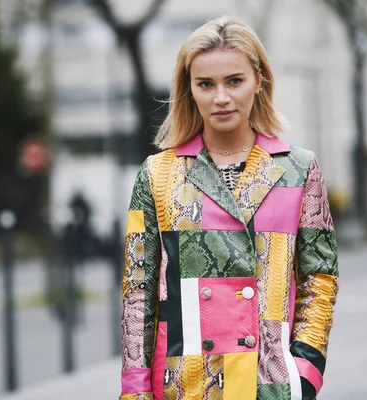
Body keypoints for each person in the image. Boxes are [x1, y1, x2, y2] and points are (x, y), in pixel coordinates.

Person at [120, 16, 338, 400]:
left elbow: (319, 279)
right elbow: (137, 292)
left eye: (234, 81)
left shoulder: (298, 169)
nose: (221, 97)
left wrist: (304, 371)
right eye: (206, 84)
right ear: (189, 88)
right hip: (183, 384)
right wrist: (134, 392)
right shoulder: (157, 175)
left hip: (270, 383)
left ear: (258, 81)